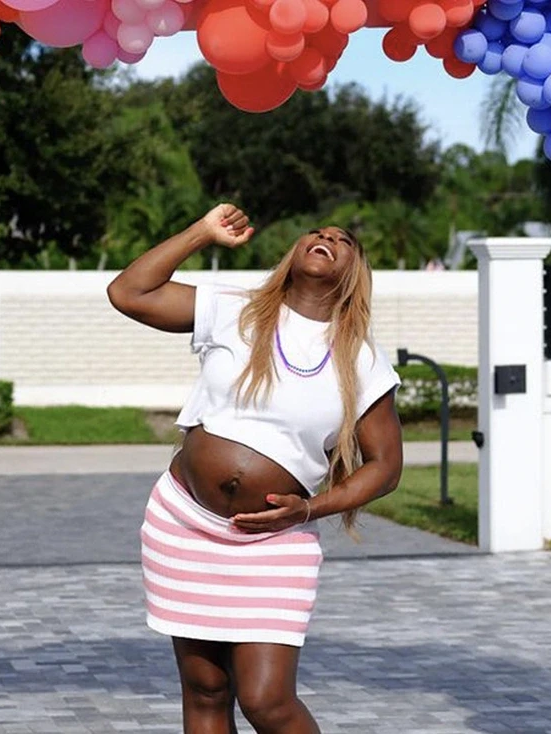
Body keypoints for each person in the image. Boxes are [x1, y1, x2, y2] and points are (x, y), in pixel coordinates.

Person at [106, 203, 405, 734]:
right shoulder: (232, 310)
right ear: (293, 252)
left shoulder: (360, 359)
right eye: (316, 231)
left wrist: (311, 508)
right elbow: (129, 293)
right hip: (184, 525)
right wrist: (200, 232)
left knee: (267, 701)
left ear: (353, 273)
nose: (325, 237)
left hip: (274, 543)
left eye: (342, 240)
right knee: (205, 691)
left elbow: (385, 466)